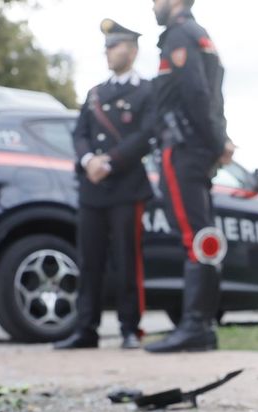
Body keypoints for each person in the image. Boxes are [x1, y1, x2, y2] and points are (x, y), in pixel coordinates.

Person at [54, 19, 155, 350]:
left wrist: (109, 161)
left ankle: (130, 329)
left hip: (126, 186)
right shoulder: (95, 93)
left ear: (133, 49)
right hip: (92, 188)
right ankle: (86, 329)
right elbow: (80, 133)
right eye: (107, 47)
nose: (108, 52)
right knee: (89, 260)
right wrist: (88, 162)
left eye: (115, 46)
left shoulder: (146, 91)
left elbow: (145, 135)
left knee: (127, 260)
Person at [144, 0, 234, 353]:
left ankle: (195, 326)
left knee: (193, 237)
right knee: (204, 237)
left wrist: (217, 140)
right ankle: (203, 326)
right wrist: (219, 139)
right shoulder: (200, 35)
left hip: (182, 150)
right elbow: (215, 98)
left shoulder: (179, 35)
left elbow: (197, 93)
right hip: (198, 149)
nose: (153, 5)